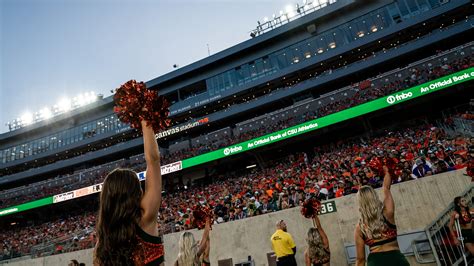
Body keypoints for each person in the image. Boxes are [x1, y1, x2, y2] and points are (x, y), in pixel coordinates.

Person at [94, 119, 164, 265]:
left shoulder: (101, 246)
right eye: (138, 186)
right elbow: (153, 160)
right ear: (133, 192)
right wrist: (145, 118)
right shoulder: (145, 218)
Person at [354, 166, 409, 266]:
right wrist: (387, 171)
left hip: (376, 262)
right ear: (374, 196)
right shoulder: (388, 213)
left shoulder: (360, 227)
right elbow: (386, 188)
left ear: (360, 203)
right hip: (397, 260)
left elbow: (360, 259)